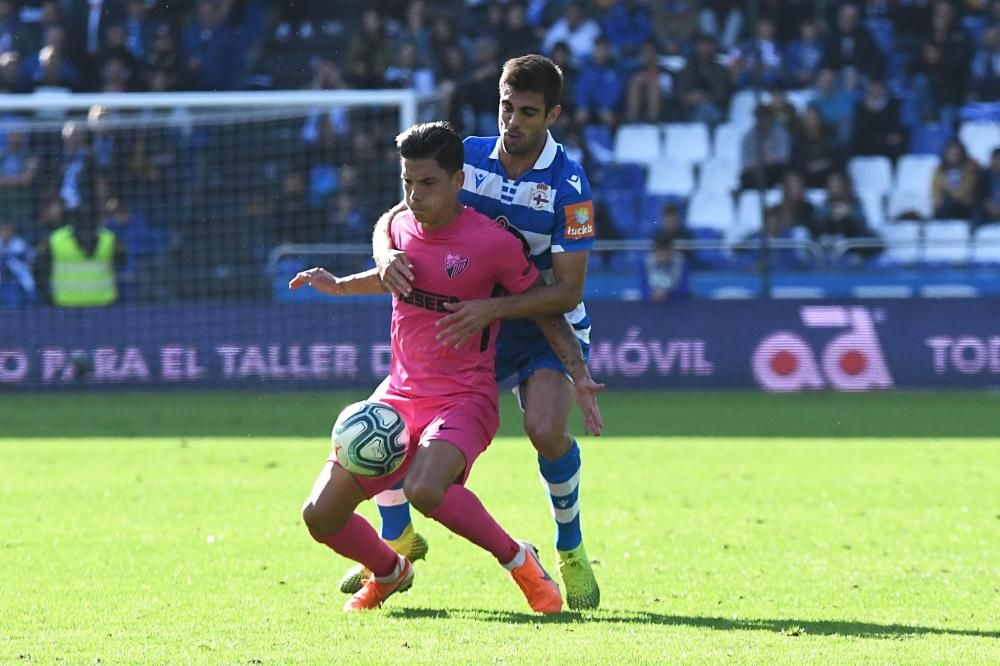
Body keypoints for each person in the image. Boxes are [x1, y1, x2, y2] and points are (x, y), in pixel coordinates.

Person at [290, 121, 603, 613]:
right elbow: (392, 272)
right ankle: (391, 569)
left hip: (464, 398)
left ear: (459, 181)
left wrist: (577, 372)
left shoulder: (493, 243)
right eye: (407, 182)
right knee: (319, 515)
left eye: (428, 183)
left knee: (424, 487)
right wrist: (342, 284)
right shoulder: (397, 229)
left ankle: (521, 561)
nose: (415, 194)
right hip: (400, 395)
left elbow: (545, 306)